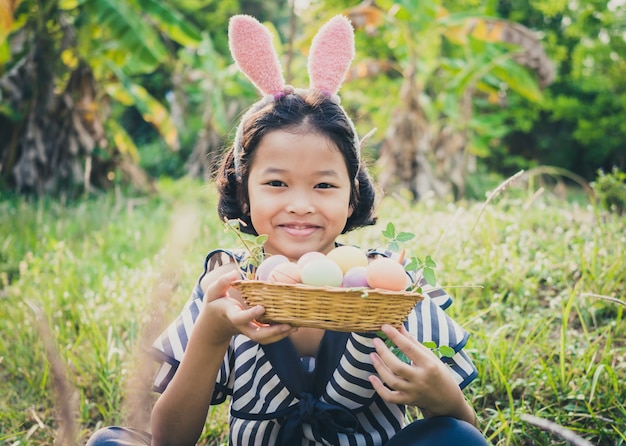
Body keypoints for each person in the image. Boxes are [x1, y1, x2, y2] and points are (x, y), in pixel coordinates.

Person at [86, 14, 487, 446]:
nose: (300, 204)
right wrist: (212, 332)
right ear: (244, 194)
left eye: (324, 185)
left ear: (352, 197)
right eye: (276, 183)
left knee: (455, 438)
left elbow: (466, 434)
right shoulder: (229, 287)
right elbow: (169, 439)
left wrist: (442, 395)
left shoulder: (389, 289)